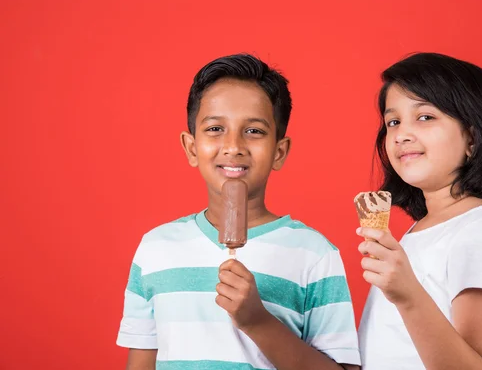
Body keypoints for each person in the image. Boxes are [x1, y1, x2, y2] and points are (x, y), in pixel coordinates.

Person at [116, 53, 361, 370]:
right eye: (215, 128)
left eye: (254, 131)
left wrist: (257, 321)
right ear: (192, 148)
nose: (233, 146)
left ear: (279, 151)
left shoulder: (314, 254)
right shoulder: (155, 249)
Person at [357, 52, 482, 370]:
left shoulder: (481, 233)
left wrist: (408, 294)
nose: (401, 134)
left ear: (473, 138)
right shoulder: (420, 232)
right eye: (393, 121)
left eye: (424, 117)